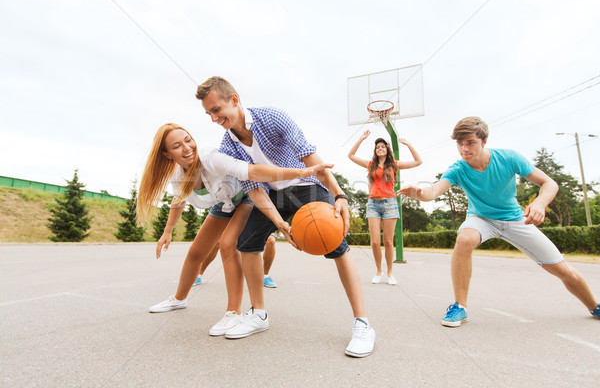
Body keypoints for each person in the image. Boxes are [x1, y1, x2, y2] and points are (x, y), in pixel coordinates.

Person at [197, 76, 376, 358]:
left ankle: (363, 323)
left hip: (307, 186)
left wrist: (340, 195)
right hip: (271, 196)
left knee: (336, 245)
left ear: (234, 100)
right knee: (247, 243)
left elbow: (311, 159)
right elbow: (254, 189)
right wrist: (279, 224)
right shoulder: (228, 145)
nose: (213, 118)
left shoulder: (273, 118)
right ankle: (258, 314)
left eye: (216, 110)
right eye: (208, 113)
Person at [398, 116, 600, 327]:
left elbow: (548, 183)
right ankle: (459, 306)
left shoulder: (509, 158)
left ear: (484, 141)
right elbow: (433, 191)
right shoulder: (458, 169)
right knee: (465, 238)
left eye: (470, 143)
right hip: (481, 219)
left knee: (562, 269)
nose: (464, 149)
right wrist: (419, 194)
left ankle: (595, 306)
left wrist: (540, 204)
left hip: (514, 220)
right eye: (459, 143)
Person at [137, 123, 331, 336]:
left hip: (248, 194)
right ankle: (179, 299)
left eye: (187, 139)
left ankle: (234, 313)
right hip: (224, 203)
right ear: (166, 154)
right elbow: (178, 200)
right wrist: (167, 232)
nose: (186, 147)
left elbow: (254, 171)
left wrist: (300, 171)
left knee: (228, 243)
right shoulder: (177, 173)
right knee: (195, 252)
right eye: (177, 146)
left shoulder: (210, 156)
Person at [348, 130, 422, 285]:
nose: (380, 148)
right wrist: (361, 139)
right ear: (375, 151)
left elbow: (418, 161)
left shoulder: (394, 164)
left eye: (382, 146)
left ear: (387, 149)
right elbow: (351, 155)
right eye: (377, 147)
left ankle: (389, 273)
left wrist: (408, 144)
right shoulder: (370, 165)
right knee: (375, 242)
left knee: (388, 241)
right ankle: (378, 271)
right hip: (373, 204)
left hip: (389, 203)